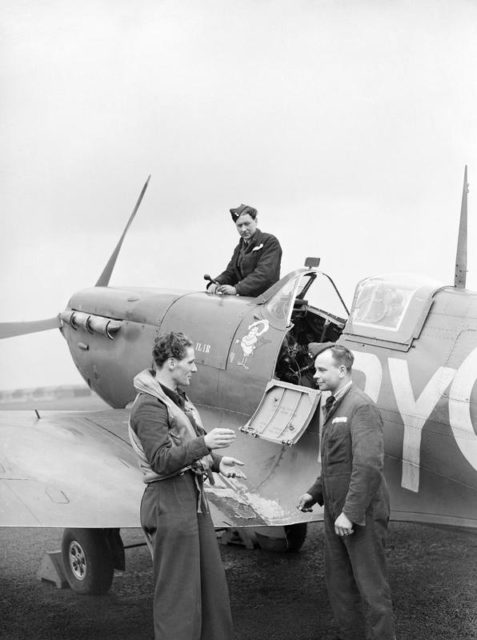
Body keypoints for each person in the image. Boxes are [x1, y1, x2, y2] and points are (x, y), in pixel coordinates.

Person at [128, 331, 245, 640]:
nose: (195, 369)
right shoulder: (149, 405)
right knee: (178, 596)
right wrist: (205, 444)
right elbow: (162, 461)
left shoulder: (175, 398)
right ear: (171, 363)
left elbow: (186, 444)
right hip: (168, 500)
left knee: (210, 586)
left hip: (190, 497)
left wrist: (218, 462)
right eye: (190, 362)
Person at [297, 342, 396, 640]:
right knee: (339, 585)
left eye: (321, 369)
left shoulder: (360, 406)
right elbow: (336, 461)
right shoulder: (333, 405)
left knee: (372, 588)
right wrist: (314, 493)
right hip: (336, 512)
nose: (315, 375)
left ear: (342, 370)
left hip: (359, 513)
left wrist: (351, 515)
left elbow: (368, 465)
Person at [207, 203, 282, 297]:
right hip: (246, 301)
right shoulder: (239, 248)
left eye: (247, 224)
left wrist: (237, 289)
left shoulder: (269, 242)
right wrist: (216, 282)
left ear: (256, 221)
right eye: (239, 225)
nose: (243, 229)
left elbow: (264, 274)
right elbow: (231, 272)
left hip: (268, 301)